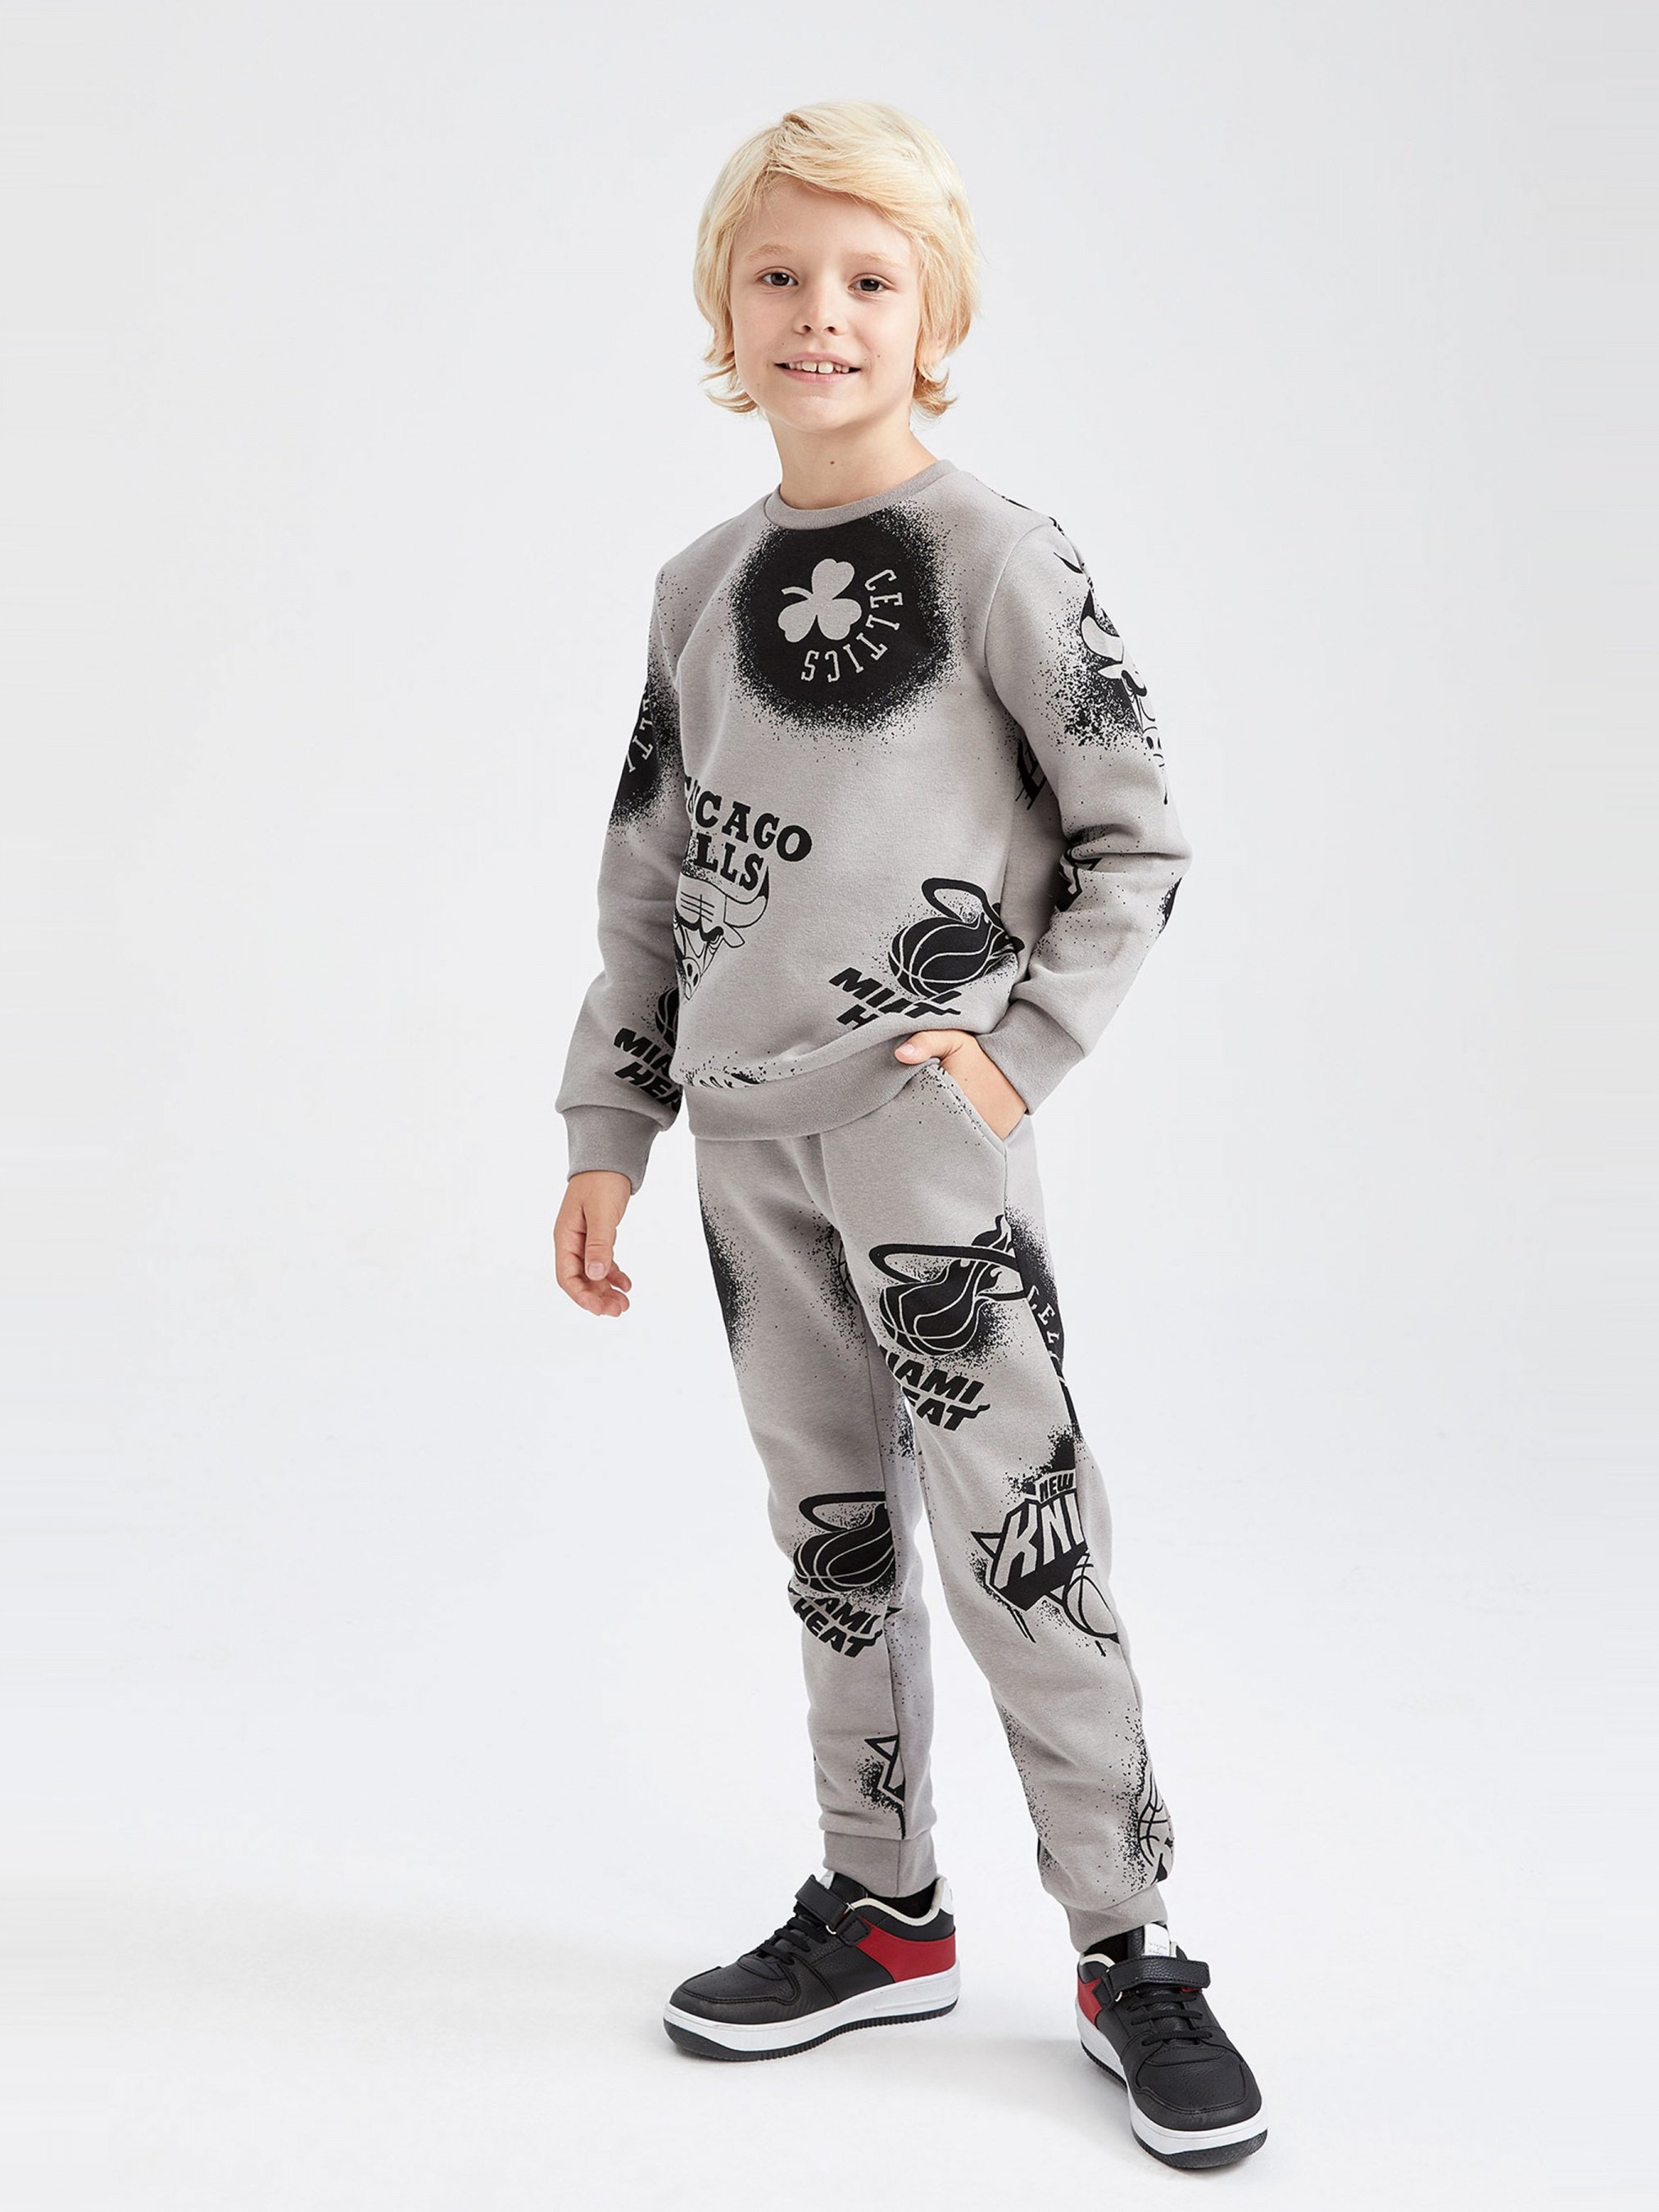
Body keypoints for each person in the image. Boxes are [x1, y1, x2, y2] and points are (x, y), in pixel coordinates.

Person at [553, 99, 1267, 2170]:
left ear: (933, 318)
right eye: (776, 275)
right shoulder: (697, 587)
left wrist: (1013, 1052)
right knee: (830, 1534)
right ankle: (879, 1910)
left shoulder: (999, 561)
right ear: (722, 311)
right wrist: (607, 1123)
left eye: (868, 279)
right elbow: (646, 880)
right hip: (740, 1147)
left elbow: (1134, 835)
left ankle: (1129, 1944)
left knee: (1018, 1529)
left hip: (924, 1143)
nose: (820, 312)